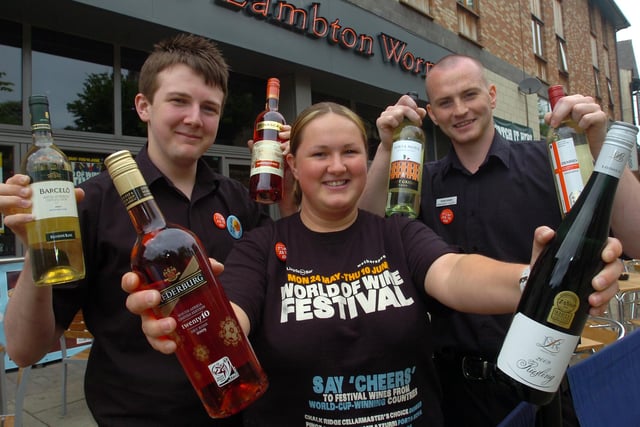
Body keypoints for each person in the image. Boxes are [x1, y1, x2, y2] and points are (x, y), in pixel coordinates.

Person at [121, 102, 622, 426]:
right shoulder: (261, 246)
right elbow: (236, 318)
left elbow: (453, 272)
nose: (337, 166)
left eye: (350, 152)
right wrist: (189, 319)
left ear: (368, 160)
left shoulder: (398, 232)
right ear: (293, 165)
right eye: (320, 154)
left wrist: (529, 279)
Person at [0, 33, 293, 426]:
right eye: (178, 101)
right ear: (143, 106)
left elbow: (283, 288)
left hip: (244, 410)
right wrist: (38, 248)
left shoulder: (238, 200)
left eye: (209, 108)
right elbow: (24, 350)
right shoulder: (92, 202)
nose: (194, 118)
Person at [360, 54, 640, 426]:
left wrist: (603, 144)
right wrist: (385, 147)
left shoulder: (550, 161)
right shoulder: (421, 182)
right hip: (454, 391)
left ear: (492, 95)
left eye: (469, 95)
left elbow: (636, 239)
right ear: (433, 114)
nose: (459, 110)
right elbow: (363, 232)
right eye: (445, 102)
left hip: (543, 383)